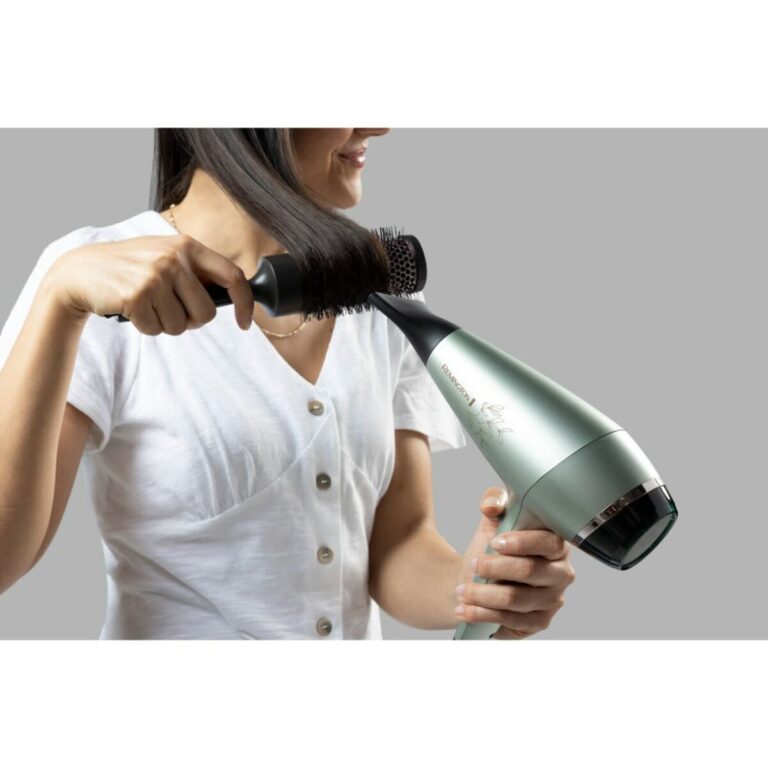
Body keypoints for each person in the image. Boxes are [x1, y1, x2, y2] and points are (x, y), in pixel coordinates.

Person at [0, 128, 575, 639]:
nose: (379, 125)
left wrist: (478, 584)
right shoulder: (94, 279)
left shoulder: (375, 282)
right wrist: (59, 301)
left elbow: (397, 544)